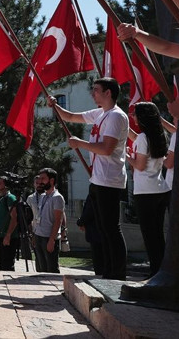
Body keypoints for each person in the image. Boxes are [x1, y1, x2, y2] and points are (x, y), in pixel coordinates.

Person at [49, 77, 129, 280]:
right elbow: (70, 117)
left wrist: (79, 143)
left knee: (111, 228)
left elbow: (106, 148)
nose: (92, 94)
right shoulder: (100, 114)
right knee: (102, 228)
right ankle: (108, 271)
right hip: (98, 180)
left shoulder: (115, 116)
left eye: (96, 90)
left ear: (108, 93)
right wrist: (55, 105)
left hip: (109, 180)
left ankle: (117, 273)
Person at [127, 102, 172, 277]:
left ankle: (155, 273)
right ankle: (161, 271)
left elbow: (139, 165)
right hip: (160, 189)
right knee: (158, 235)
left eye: (135, 114)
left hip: (145, 192)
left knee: (149, 236)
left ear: (143, 117)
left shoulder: (142, 139)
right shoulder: (160, 136)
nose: (133, 117)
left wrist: (126, 156)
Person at [32, 168, 64, 274]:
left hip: (48, 237)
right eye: (40, 178)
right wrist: (34, 234)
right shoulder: (43, 196)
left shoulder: (57, 198)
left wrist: (52, 240)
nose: (40, 181)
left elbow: (57, 220)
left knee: (51, 269)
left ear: (51, 180)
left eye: (43, 178)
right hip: (38, 235)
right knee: (41, 268)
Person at [0, 176, 18, 271]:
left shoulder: (10, 198)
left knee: (7, 264)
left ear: (6, 185)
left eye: (0, 183)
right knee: (0, 264)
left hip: (6, 237)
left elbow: (14, 218)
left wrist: (8, 235)